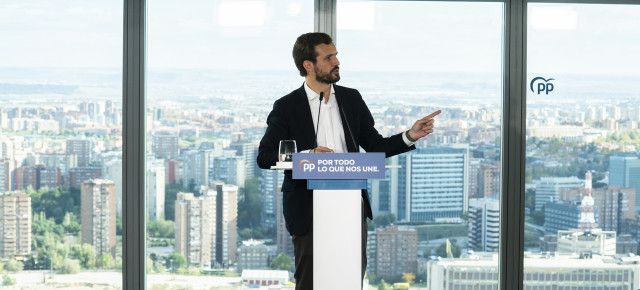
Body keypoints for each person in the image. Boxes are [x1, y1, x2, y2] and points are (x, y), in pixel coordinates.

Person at [256, 32, 440, 289]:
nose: (337, 62)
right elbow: (264, 157)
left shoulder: (351, 99)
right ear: (308, 65)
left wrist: (410, 135)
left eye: (336, 55)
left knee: (350, 280)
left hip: (351, 207)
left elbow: (375, 146)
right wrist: (308, 157)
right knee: (310, 282)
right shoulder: (286, 106)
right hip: (308, 209)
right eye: (328, 57)